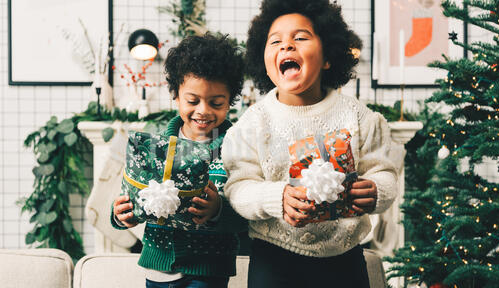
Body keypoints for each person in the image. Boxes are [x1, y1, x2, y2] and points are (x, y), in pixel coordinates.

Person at [221, 0, 398, 287]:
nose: (286, 46)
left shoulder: (359, 118)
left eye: (300, 38)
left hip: (345, 259)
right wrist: (276, 198)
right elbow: (237, 187)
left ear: (328, 56)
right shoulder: (251, 125)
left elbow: (386, 174)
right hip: (274, 260)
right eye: (275, 41)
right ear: (262, 60)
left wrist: (377, 190)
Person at [112, 33, 247, 288]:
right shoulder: (155, 149)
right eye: (192, 101)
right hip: (157, 269)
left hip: (209, 271)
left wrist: (218, 211)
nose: (203, 111)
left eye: (216, 103)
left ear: (230, 101)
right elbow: (132, 193)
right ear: (175, 95)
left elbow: (247, 216)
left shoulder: (236, 149)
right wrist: (121, 215)